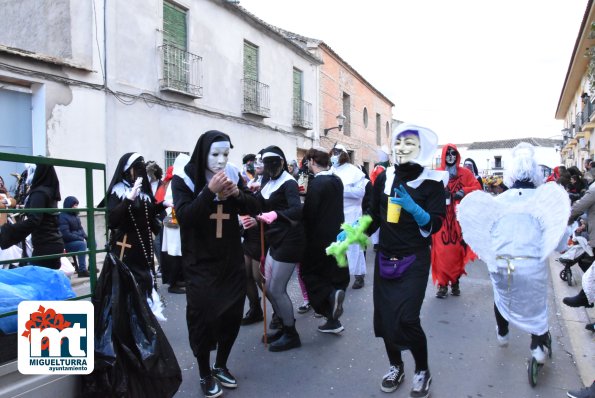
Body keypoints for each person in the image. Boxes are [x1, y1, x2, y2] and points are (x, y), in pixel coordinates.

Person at [458, 142, 570, 368]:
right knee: (537, 305)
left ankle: (503, 332)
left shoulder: (499, 201)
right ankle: (538, 347)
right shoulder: (542, 202)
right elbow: (559, 240)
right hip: (530, 266)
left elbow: (484, 228)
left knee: (502, 296)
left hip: (503, 265)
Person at [172, 130, 260, 397]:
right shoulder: (184, 178)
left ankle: (221, 364)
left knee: (231, 314)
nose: (221, 161)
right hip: (200, 262)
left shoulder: (233, 174)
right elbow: (186, 217)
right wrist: (209, 192)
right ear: (203, 153)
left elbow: (254, 206)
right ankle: (204, 371)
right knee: (203, 317)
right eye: (215, 154)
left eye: (226, 154)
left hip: (230, 259)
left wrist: (237, 194)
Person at [366, 123, 447, 397]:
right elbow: (373, 217)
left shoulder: (433, 183)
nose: (401, 149)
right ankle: (395, 366)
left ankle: (422, 370)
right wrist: (353, 234)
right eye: (398, 143)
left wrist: (415, 210)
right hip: (386, 257)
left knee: (408, 319)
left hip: (414, 258)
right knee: (386, 319)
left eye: (408, 144)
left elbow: (435, 224)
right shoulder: (383, 178)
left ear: (419, 150)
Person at [255, 145, 305, 352]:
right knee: (268, 286)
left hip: (290, 240)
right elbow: (258, 204)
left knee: (276, 289)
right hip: (275, 238)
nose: (270, 168)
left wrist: (276, 214)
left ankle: (292, 335)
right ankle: (285, 326)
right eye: (267, 164)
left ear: (282, 163)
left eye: (274, 163)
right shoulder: (267, 181)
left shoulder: (289, 183)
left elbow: (297, 209)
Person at [105, 153, 165, 317]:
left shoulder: (143, 191)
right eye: (135, 168)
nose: (139, 172)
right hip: (126, 247)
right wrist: (128, 199)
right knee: (129, 284)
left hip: (144, 246)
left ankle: (145, 318)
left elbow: (147, 214)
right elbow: (112, 220)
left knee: (146, 280)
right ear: (127, 170)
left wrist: (162, 206)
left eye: (141, 168)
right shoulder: (118, 192)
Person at [301, 147, 348, 334]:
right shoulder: (337, 180)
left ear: (312, 162)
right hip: (336, 235)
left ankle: (329, 296)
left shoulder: (317, 184)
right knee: (331, 273)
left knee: (310, 275)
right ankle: (333, 322)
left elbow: (310, 214)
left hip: (318, 238)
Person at [431, 144, 482, 298]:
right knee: (440, 252)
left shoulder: (465, 173)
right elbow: (428, 192)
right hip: (441, 219)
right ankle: (442, 285)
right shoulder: (437, 174)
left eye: (454, 153)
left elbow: (477, 187)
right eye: (448, 153)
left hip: (458, 220)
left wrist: (463, 191)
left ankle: (455, 282)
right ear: (444, 156)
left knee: (456, 253)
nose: (451, 156)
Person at [0, 163, 64, 269]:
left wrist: (9, 231)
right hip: (54, 242)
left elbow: (34, 220)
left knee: (40, 279)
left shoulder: (39, 192)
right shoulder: (50, 190)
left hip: (45, 244)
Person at [331, 143, 367, 289]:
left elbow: (360, 192)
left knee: (354, 245)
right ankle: (340, 275)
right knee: (338, 245)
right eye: (333, 152)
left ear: (343, 154)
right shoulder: (331, 170)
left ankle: (359, 275)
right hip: (335, 212)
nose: (334, 155)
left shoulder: (354, 171)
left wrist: (342, 190)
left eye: (337, 152)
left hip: (352, 213)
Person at [159, 162, 186, 294]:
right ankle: (173, 284)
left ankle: (177, 279)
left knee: (177, 253)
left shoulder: (173, 182)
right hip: (174, 223)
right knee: (175, 253)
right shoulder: (175, 182)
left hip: (174, 223)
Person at [59, 196, 91, 277]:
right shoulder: (62, 217)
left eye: (77, 205)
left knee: (93, 242)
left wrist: (87, 238)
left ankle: (92, 266)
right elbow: (66, 234)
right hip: (67, 244)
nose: (76, 207)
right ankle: (82, 270)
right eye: (74, 205)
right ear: (69, 205)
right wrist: (81, 238)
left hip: (76, 240)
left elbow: (81, 229)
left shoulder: (76, 216)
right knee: (82, 244)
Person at [147, 160, 165, 277]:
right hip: (148, 216)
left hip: (160, 217)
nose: (149, 175)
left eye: (151, 172)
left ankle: (162, 266)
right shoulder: (145, 185)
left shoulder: (163, 185)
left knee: (159, 243)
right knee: (150, 244)